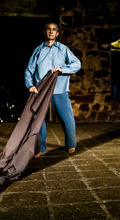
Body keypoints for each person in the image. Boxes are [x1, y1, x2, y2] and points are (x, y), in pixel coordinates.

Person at [24, 22, 81, 158]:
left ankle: (71, 144)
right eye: (49, 29)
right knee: (39, 120)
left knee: (67, 119)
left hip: (59, 88)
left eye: (54, 30)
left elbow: (77, 64)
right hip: (41, 90)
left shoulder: (63, 49)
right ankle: (41, 148)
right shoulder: (38, 50)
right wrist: (30, 85)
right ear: (45, 32)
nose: (51, 31)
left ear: (57, 33)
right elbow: (29, 69)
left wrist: (63, 69)